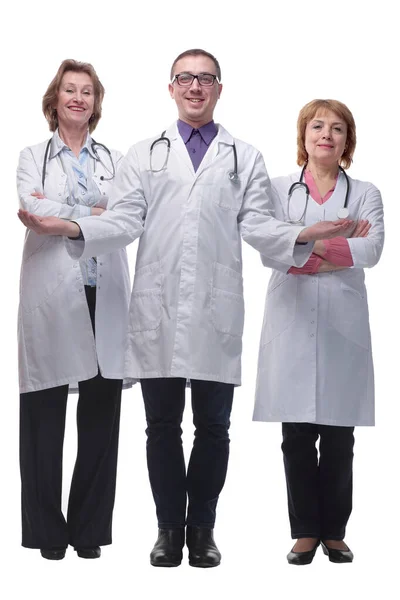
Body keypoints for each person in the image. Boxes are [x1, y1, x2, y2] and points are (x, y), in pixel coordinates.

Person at [18, 51, 353, 568]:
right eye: (185, 78)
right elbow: (125, 219)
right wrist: (75, 227)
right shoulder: (144, 154)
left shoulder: (245, 157)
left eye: (205, 78)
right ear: (171, 88)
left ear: (219, 88)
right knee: (160, 428)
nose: (195, 86)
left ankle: (203, 531)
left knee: (215, 429)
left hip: (216, 309)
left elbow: (260, 226)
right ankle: (168, 530)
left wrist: (302, 234)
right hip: (158, 309)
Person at [253, 99, 384, 565]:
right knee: (295, 434)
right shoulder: (275, 189)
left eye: (337, 128)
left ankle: (335, 531)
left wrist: (303, 243)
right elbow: (268, 247)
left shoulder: (365, 192)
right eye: (317, 126)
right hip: (291, 319)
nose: (326, 134)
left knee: (338, 436)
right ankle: (305, 530)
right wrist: (328, 245)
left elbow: (372, 248)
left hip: (341, 324)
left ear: (348, 140)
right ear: (303, 135)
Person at [17, 59, 132, 560]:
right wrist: (93, 216)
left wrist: (62, 217)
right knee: (43, 414)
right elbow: (31, 207)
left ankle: (88, 531)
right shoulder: (31, 156)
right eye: (70, 90)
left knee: (101, 415)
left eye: (87, 91)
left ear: (96, 103)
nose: (79, 99)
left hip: (102, 291)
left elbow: (129, 218)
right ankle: (46, 533)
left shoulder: (118, 159)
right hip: (52, 294)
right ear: (55, 99)